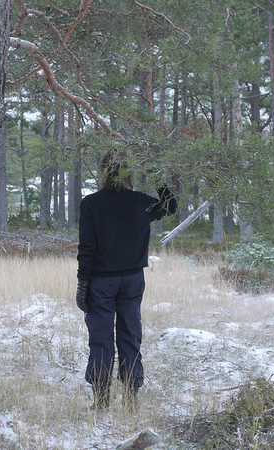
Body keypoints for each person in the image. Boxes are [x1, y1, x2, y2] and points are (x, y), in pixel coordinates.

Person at [75, 150, 177, 411]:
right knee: (130, 335)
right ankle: (131, 400)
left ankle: (101, 401)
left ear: (103, 171)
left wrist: (82, 284)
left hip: (101, 282)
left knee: (101, 338)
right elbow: (170, 205)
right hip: (132, 279)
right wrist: (154, 174)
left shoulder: (92, 204)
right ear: (129, 173)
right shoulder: (140, 202)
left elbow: (87, 248)